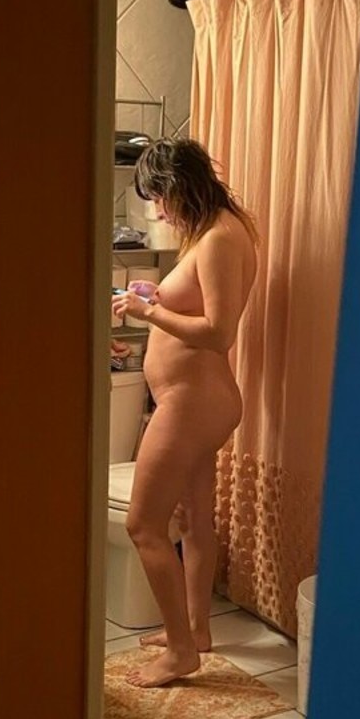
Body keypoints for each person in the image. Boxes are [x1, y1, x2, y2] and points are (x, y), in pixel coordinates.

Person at [111, 138, 258, 688]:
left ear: (178, 187)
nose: (158, 211)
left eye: (159, 198)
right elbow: (199, 305)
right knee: (194, 521)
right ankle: (196, 631)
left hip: (192, 403)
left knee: (144, 525)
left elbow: (219, 332)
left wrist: (148, 311)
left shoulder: (218, 238)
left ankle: (179, 653)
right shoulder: (220, 229)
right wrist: (159, 297)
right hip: (199, 401)